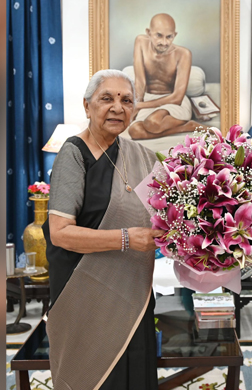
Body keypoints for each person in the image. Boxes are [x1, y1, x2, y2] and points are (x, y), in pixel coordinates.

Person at [43, 69, 165, 390]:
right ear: (87, 106)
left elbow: (168, 214)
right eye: (106, 99)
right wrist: (126, 238)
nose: (117, 107)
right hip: (84, 292)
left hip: (132, 290)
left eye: (126, 101)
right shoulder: (73, 154)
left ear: (134, 111)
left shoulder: (142, 157)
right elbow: (60, 233)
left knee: (134, 372)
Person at [126, 13, 202, 141]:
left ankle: (188, 125)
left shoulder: (183, 54)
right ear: (149, 33)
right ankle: (186, 126)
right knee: (134, 131)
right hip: (149, 99)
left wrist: (140, 106)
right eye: (159, 35)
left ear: (175, 35)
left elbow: (177, 98)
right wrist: (136, 105)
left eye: (169, 37)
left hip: (173, 102)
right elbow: (140, 82)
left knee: (153, 123)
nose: (164, 42)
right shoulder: (140, 42)